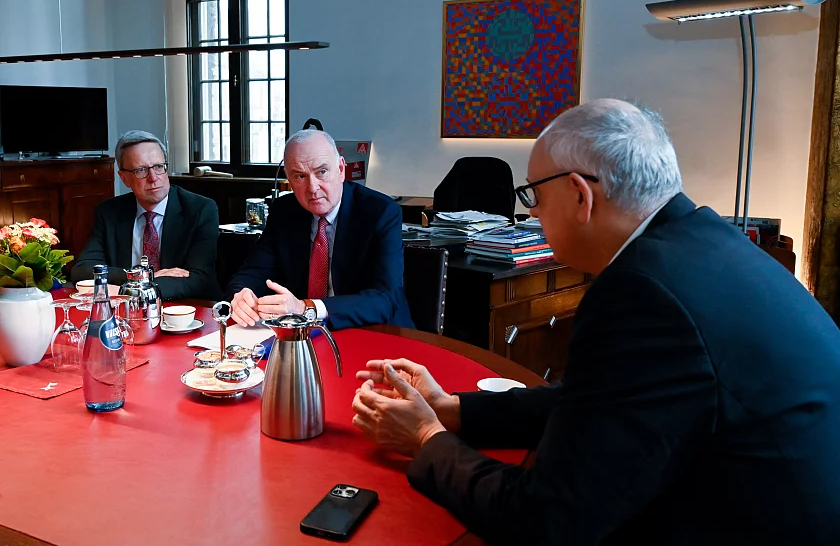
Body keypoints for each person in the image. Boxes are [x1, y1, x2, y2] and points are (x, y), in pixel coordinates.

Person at [351, 99, 840, 544]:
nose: (534, 214)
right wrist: (451, 409)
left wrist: (425, 438)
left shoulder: (641, 293)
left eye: (533, 197)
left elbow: (548, 521)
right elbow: (600, 399)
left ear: (580, 195)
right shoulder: (705, 239)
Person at [227, 128, 413, 330]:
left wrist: (306, 308)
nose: (313, 188)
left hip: (375, 333)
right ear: (288, 180)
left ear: (341, 170)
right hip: (304, 337)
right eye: (299, 176)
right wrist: (241, 295)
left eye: (322, 172)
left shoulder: (380, 212)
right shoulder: (284, 211)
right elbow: (253, 272)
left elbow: (384, 299)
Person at [71, 130, 221, 300]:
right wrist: (142, 277)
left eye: (158, 167)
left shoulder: (200, 209)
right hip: (128, 311)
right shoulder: (109, 212)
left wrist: (127, 290)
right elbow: (82, 270)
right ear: (124, 178)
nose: (153, 178)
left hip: (185, 309)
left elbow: (198, 279)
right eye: (141, 170)